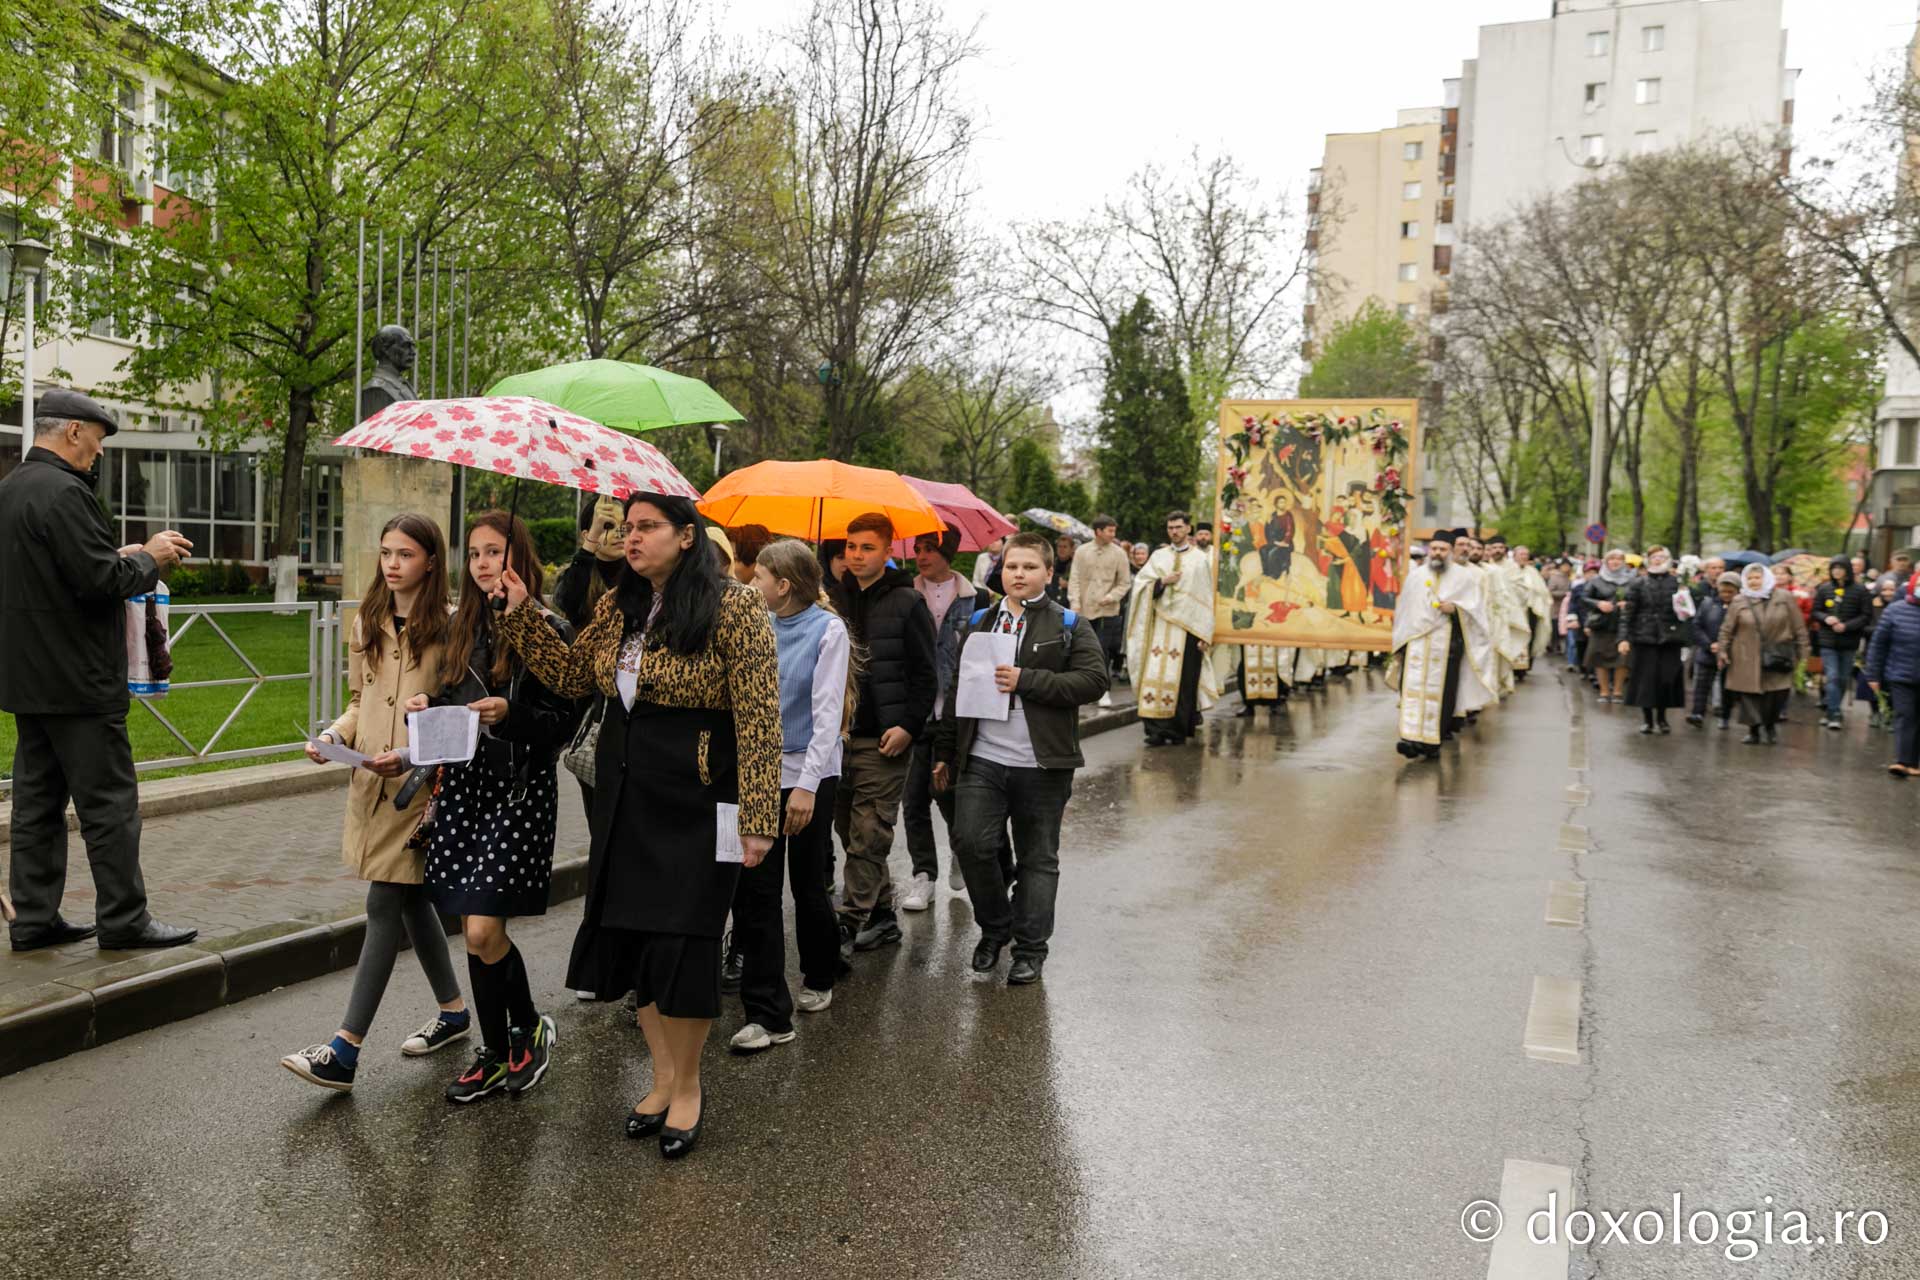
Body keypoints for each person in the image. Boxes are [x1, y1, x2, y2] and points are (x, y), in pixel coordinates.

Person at [494, 492, 781, 1158]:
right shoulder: (617, 604)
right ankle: (660, 1079)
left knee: (684, 947)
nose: (632, 538)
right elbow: (570, 677)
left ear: (687, 536)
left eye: (648, 527)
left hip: (698, 797)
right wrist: (520, 613)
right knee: (637, 950)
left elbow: (761, 719)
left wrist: (759, 818)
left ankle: (688, 1089)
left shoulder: (734, 606)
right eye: (628, 528)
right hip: (622, 794)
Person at [0, 391, 199, 952]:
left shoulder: (11, 488)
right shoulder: (66, 492)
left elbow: (57, 571)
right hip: (81, 684)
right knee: (109, 808)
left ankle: (34, 919)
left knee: (36, 808)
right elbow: (98, 584)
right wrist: (149, 558)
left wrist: (115, 554)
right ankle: (125, 920)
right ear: (71, 433)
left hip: (27, 681)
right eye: (97, 438)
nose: (100, 452)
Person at [281, 513, 469, 1092]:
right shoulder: (366, 621)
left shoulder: (453, 628)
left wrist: (410, 754)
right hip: (370, 782)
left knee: (385, 904)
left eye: (405, 554)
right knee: (411, 904)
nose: (392, 563)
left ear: (431, 562)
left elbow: (458, 720)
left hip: (421, 792)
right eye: (386, 552)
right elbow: (360, 701)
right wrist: (336, 738)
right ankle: (455, 1012)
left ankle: (345, 1049)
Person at [412, 513, 580, 1103]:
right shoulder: (462, 628)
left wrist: (514, 718)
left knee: (484, 928)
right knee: (475, 934)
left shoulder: (549, 627)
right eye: (476, 553)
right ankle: (497, 1047)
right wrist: (427, 701)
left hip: (519, 790)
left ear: (520, 559)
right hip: (464, 790)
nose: (483, 563)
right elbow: (456, 697)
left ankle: (527, 1027)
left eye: (495, 552)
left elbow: (566, 721)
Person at [933, 532, 1108, 984]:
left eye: (1030, 567)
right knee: (970, 843)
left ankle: (1031, 948)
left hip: (1042, 763)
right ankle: (996, 927)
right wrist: (944, 753)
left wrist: (1027, 679)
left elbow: (1093, 681)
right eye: (1012, 567)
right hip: (983, 758)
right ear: (1001, 571)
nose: (1019, 574)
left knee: (1037, 858)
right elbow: (957, 693)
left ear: (1049, 574)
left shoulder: (1070, 624)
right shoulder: (980, 622)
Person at [731, 538, 851, 1046]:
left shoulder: (829, 630)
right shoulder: (751, 624)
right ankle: (767, 1014)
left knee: (806, 883)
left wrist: (805, 788)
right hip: (756, 773)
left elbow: (827, 716)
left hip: (810, 773)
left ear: (783, 585)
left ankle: (820, 974)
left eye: (758, 577)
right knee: (754, 891)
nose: (750, 584)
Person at [828, 512, 937, 956]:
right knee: (845, 827)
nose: (856, 555)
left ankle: (849, 921)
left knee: (869, 833)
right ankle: (883, 915)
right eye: (851, 547)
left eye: (867, 547)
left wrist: (909, 727)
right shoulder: (831, 600)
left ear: (888, 552)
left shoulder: (908, 602)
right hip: (837, 737)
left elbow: (927, 676)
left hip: (885, 739)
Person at [900, 528, 975, 906]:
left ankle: (960, 850)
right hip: (916, 712)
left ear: (947, 552)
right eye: (917, 548)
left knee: (945, 793)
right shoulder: (905, 595)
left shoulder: (975, 599)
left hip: (954, 715)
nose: (921, 555)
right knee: (912, 800)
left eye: (929, 549)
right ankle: (923, 875)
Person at [1390, 536, 1497, 759]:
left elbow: (1476, 613)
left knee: (1443, 693)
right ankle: (1409, 737)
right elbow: (1405, 610)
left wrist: (1456, 610)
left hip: (1447, 644)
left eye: (1443, 549)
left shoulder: (1464, 578)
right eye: (1435, 548)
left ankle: (1431, 742)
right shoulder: (1416, 576)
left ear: (1450, 551)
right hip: (1416, 643)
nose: (1437, 552)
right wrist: (1401, 641)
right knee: (1412, 690)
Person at [1126, 511, 1216, 747]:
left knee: (1184, 680)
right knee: (1153, 675)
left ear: (1188, 529)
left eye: (1178, 527)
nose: (1174, 531)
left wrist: (1206, 633)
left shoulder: (1200, 560)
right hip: (1159, 627)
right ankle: (1155, 729)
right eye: (1170, 528)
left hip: (1188, 629)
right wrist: (1162, 582)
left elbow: (1207, 598)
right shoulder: (1158, 556)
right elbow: (1140, 586)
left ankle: (1177, 730)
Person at [1719, 563, 1810, 745]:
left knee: (1776, 694)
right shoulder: (1739, 600)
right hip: (1746, 655)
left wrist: (1803, 653)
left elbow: (1798, 626)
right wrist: (1722, 650)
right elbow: (1727, 629)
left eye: (1757, 577)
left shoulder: (1784, 597)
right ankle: (1753, 730)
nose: (1754, 581)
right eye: (1750, 578)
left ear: (1766, 577)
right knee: (1749, 695)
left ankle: (1769, 724)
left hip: (1778, 653)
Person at [1619, 546, 1690, 734]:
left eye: (1662, 557)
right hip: (1645, 638)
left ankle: (1663, 717)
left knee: (1666, 679)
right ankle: (1648, 719)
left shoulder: (1677, 582)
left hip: (1670, 638)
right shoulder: (1638, 583)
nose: (1658, 560)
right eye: (1654, 557)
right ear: (1648, 560)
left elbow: (1687, 611)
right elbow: (1628, 613)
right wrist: (1624, 638)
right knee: (1646, 680)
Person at [1069, 515, 1131, 708]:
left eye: (1114, 530)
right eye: (1109, 530)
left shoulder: (1119, 553)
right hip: (1084, 610)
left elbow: (1124, 583)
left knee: (1102, 651)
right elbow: (1075, 579)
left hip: (1108, 610)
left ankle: (1103, 690)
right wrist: (1075, 603)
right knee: (1083, 650)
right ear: (1098, 531)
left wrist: (1112, 597)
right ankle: (1084, 689)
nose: (1113, 534)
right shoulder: (1081, 551)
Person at [1865, 572, 1920, 776]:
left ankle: (1916, 763)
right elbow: (1879, 644)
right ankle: (1903, 761)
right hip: (1900, 675)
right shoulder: (1895, 611)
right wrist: (1873, 675)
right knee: (1905, 715)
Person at [1808, 555, 1872, 730]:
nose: (1836, 571)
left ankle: (1832, 708)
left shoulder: (1860, 590)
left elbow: (1866, 615)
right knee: (1833, 676)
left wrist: (1847, 626)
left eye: (1840, 568)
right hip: (1828, 641)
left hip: (1849, 641)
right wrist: (1826, 617)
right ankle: (1834, 713)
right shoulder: (1824, 589)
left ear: (1847, 570)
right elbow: (1816, 611)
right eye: (1833, 568)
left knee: (1843, 678)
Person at [1579, 549, 1634, 702]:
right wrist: (1598, 604)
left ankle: (1617, 691)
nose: (1615, 562)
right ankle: (1604, 691)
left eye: (1619, 559)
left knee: (1622, 659)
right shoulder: (1596, 580)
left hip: (1623, 625)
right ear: (1606, 562)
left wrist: (1629, 604)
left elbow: (1639, 599)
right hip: (1601, 624)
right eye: (1612, 559)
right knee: (1599, 657)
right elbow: (1583, 598)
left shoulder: (1632, 580)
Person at [1687, 572, 1740, 728]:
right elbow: (1697, 626)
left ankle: (1724, 715)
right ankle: (1697, 713)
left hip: (1730, 654)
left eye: (1730, 592)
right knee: (1701, 684)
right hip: (1707, 651)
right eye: (1723, 591)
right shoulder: (1708, 604)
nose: (1726, 595)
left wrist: (1725, 647)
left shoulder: (1740, 607)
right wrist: (1709, 644)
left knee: (1726, 688)